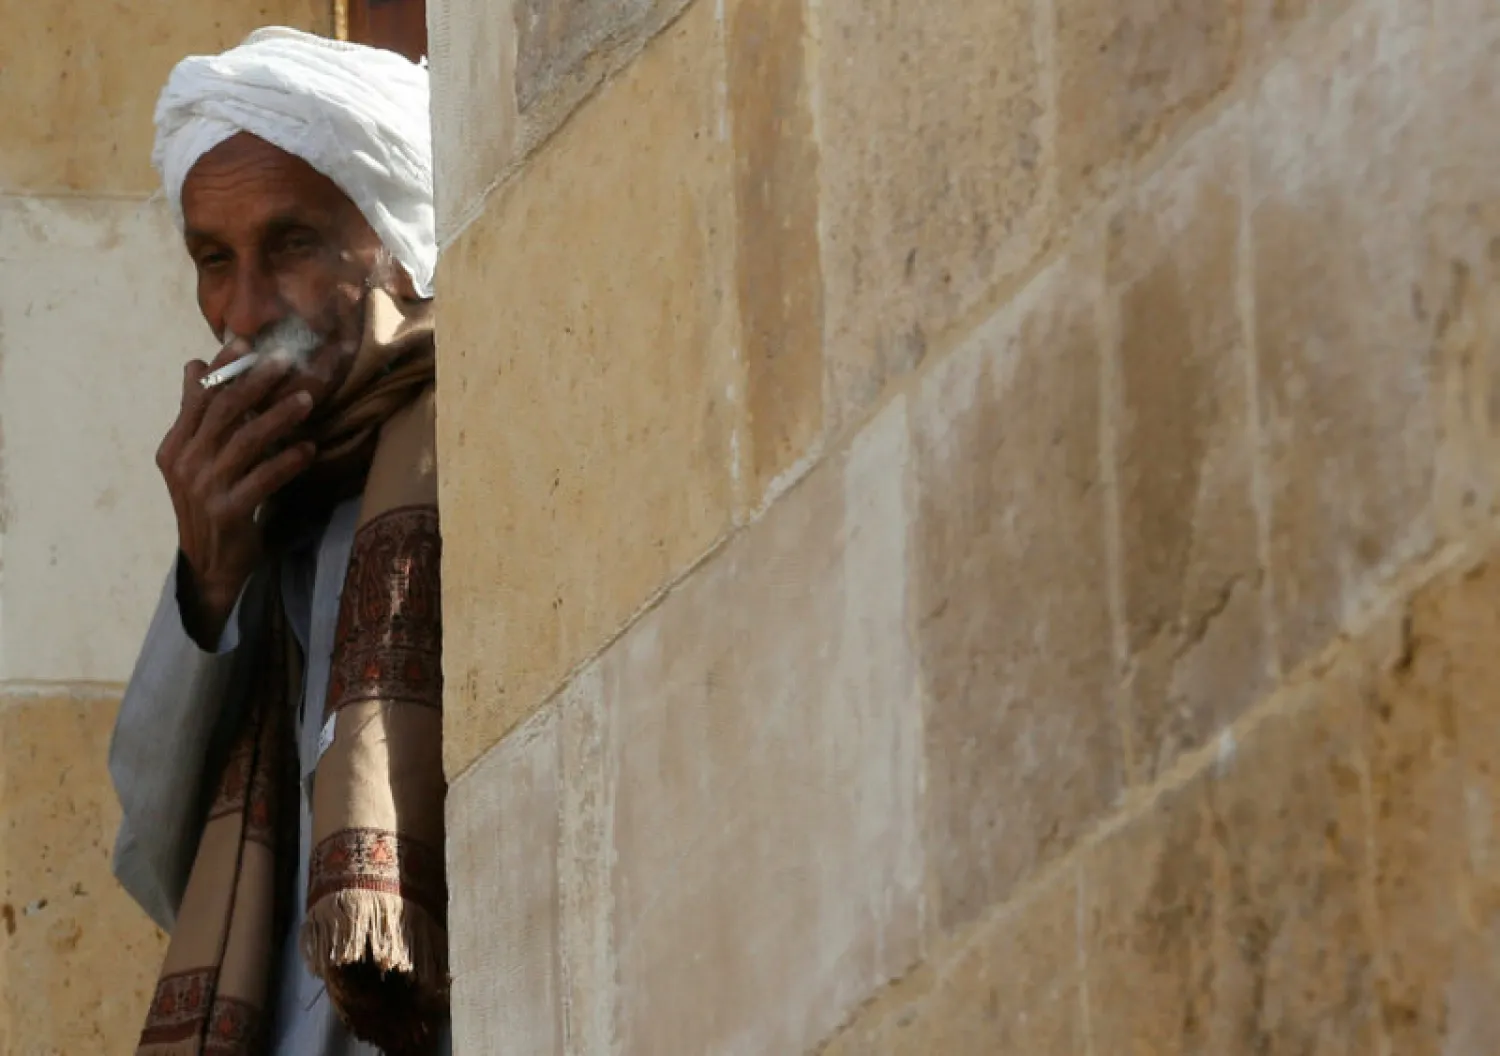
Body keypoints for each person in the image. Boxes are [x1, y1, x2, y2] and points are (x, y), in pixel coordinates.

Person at [108, 27, 450, 1056]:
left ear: (390, 239)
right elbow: (156, 860)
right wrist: (210, 575)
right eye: (215, 261)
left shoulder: (471, 438)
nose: (246, 311)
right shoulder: (274, 510)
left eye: (293, 245)